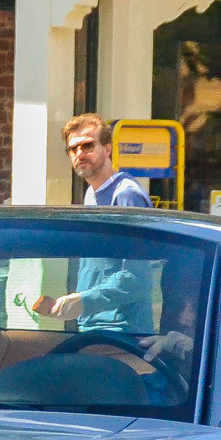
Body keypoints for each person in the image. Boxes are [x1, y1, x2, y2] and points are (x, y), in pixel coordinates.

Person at [33, 114, 158, 331]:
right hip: (94, 324)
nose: (80, 153)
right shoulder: (91, 194)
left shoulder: (127, 196)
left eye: (88, 146)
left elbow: (138, 277)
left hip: (122, 329)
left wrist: (82, 301)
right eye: (73, 149)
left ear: (107, 149)